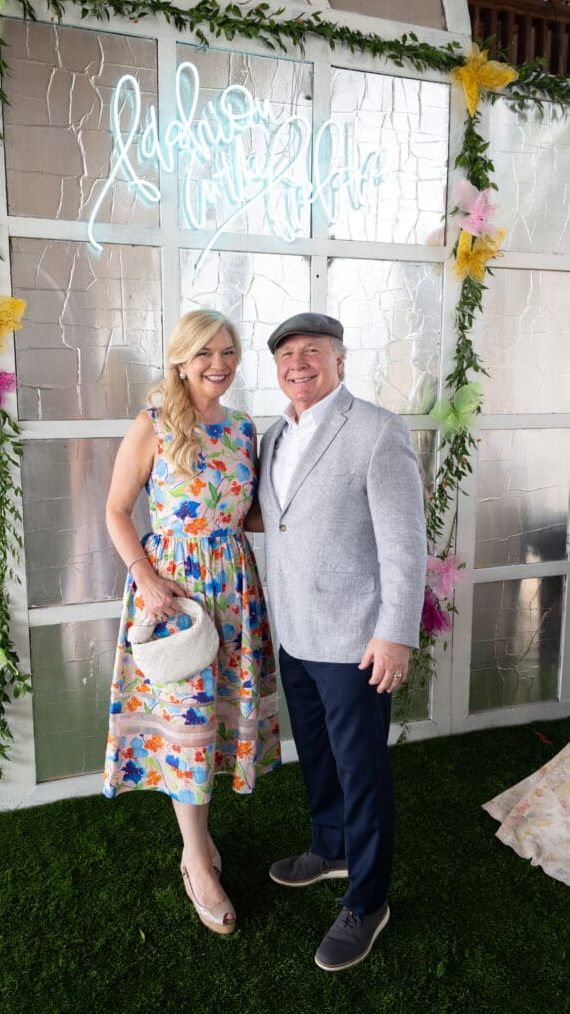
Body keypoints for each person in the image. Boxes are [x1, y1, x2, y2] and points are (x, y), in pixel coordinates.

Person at [103, 309, 280, 935]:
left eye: (229, 352)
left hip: (232, 588)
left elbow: (251, 513)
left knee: (214, 717)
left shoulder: (243, 429)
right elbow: (117, 509)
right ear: (181, 359)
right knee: (187, 726)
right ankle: (196, 858)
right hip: (174, 594)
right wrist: (146, 579)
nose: (219, 364)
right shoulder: (153, 422)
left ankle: (198, 846)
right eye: (205, 353)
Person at [258, 312, 426, 970]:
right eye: (285, 355)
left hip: (358, 640)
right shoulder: (274, 434)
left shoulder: (377, 431)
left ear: (339, 361)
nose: (297, 364)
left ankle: (367, 900)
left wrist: (394, 634)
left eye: (311, 352)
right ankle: (329, 848)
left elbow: (405, 545)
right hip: (295, 634)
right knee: (320, 758)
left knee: (362, 772)